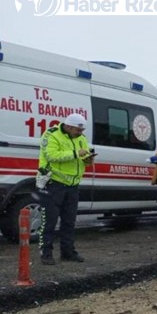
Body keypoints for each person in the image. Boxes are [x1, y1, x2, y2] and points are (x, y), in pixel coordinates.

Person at [37, 113, 94, 265]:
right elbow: (51, 156)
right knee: (49, 221)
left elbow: (82, 157)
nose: (81, 133)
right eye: (78, 130)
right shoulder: (52, 135)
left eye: (82, 130)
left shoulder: (81, 138)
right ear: (68, 126)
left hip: (72, 185)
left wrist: (88, 160)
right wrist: (76, 154)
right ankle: (46, 253)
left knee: (69, 221)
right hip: (53, 183)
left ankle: (67, 252)